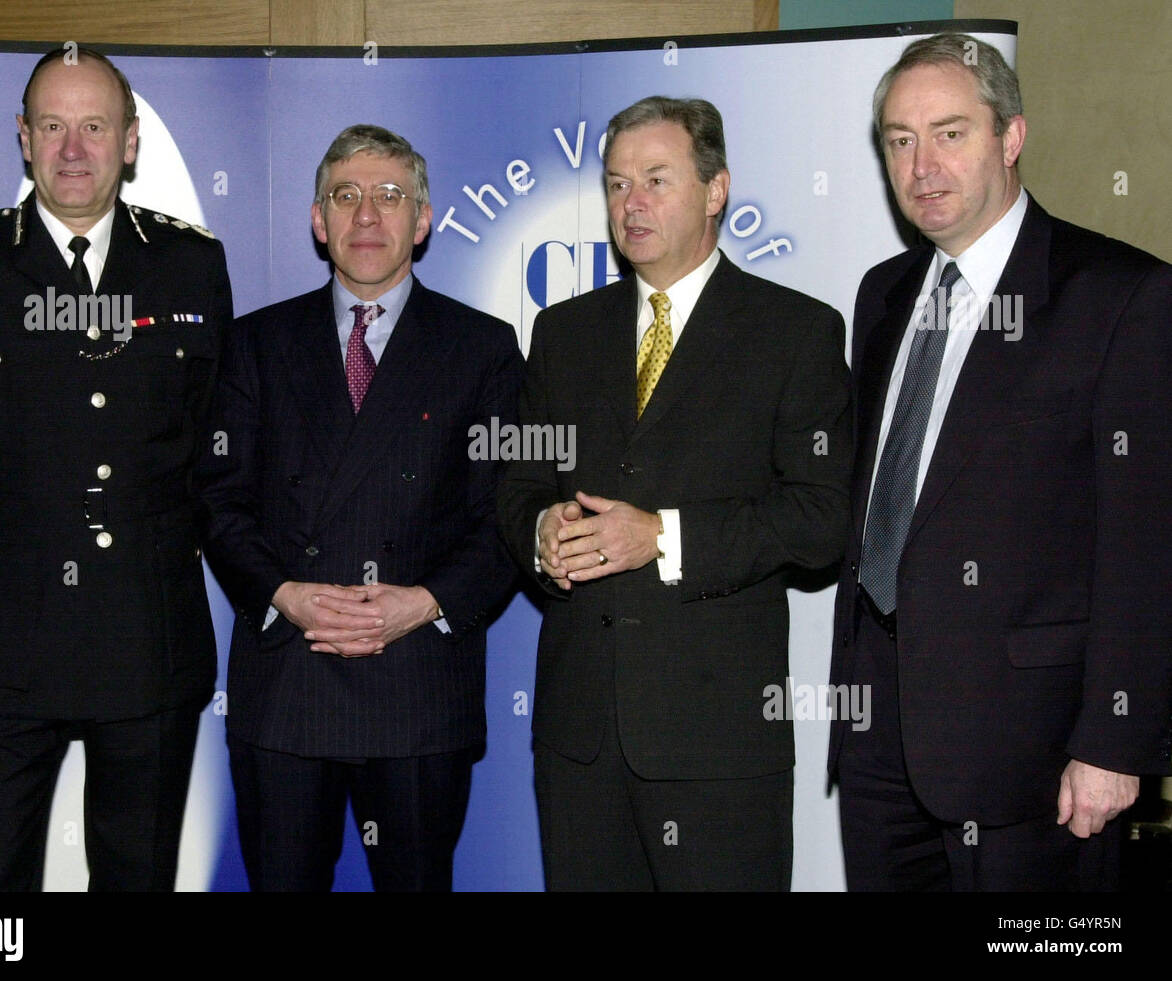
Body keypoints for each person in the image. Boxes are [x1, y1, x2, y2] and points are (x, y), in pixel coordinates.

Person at [829, 33, 1172, 890]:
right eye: (899, 141)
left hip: (1038, 754)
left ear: (1010, 137)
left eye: (950, 133)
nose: (922, 165)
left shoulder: (1120, 296)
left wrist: (1113, 744)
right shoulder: (884, 293)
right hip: (879, 739)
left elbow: (1146, 548)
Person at [0, 47, 233, 890]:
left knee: (137, 875)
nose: (72, 149)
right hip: (5, 639)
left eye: (93, 126)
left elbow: (215, 441)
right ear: (22, 138)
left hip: (148, 638)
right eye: (52, 126)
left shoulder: (191, 263)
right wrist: (23, 543)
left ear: (129, 143)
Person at [497, 96, 852, 890]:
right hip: (578, 743)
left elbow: (823, 518)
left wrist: (662, 536)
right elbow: (517, 481)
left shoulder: (796, 332)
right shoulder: (563, 331)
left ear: (716, 188)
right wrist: (540, 532)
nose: (633, 204)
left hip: (719, 745)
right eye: (618, 184)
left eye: (656, 179)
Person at [197, 124, 523, 892]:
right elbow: (217, 499)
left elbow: (508, 514)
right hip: (287, 687)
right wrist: (285, 593)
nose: (367, 216)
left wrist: (424, 603)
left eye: (389, 196)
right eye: (346, 196)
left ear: (423, 219)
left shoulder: (483, 350)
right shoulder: (255, 344)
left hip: (417, 688)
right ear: (318, 220)